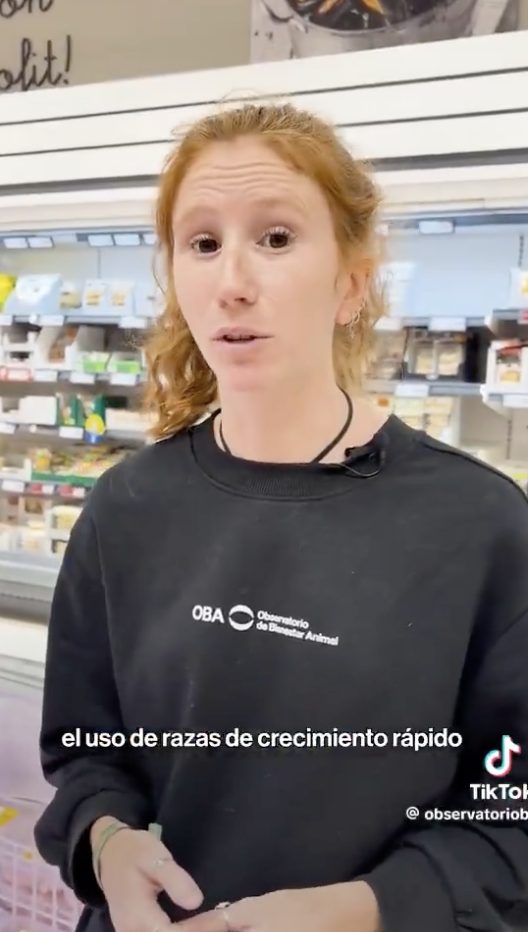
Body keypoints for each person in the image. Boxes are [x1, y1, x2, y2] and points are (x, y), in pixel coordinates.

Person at [34, 101, 528, 932]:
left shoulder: (480, 526)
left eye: (274, 237)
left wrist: (353, 910)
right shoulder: (125, 508)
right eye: (202, 243)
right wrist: (110, 843)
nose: (232, 281)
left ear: (351, 283)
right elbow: (86, 755)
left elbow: (510, 812)